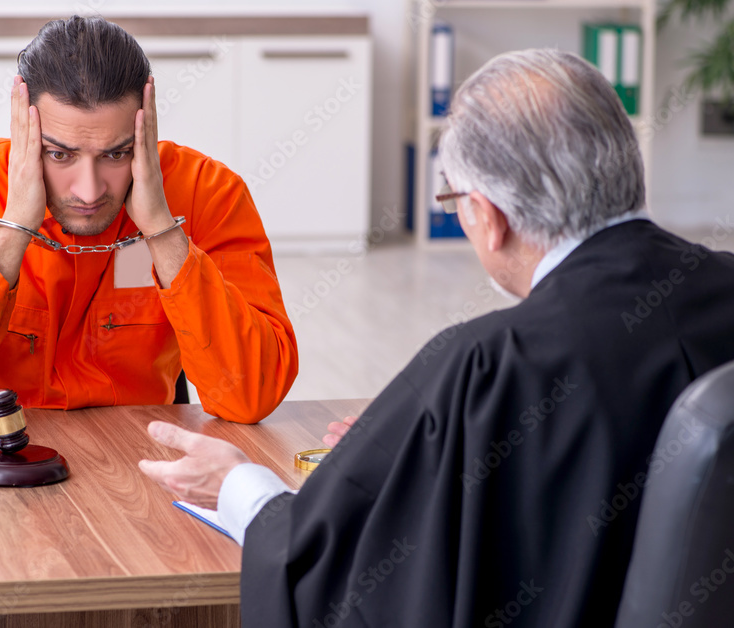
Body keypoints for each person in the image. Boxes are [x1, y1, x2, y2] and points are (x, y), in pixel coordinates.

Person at [138, 48, 734, 627]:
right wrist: (426, 452)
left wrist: (239, 486)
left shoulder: (486, 368)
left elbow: (329, 570)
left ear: (488, 216)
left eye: (454, 201)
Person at [0, 16, 298, 432]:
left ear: (146, 127)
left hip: (139, 462)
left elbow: (252, 397)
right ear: (22, 126)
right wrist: (13, 230)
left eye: (116, 154)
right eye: (60, 154)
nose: (89, 192)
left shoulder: (209, 193)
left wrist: (163, 232)